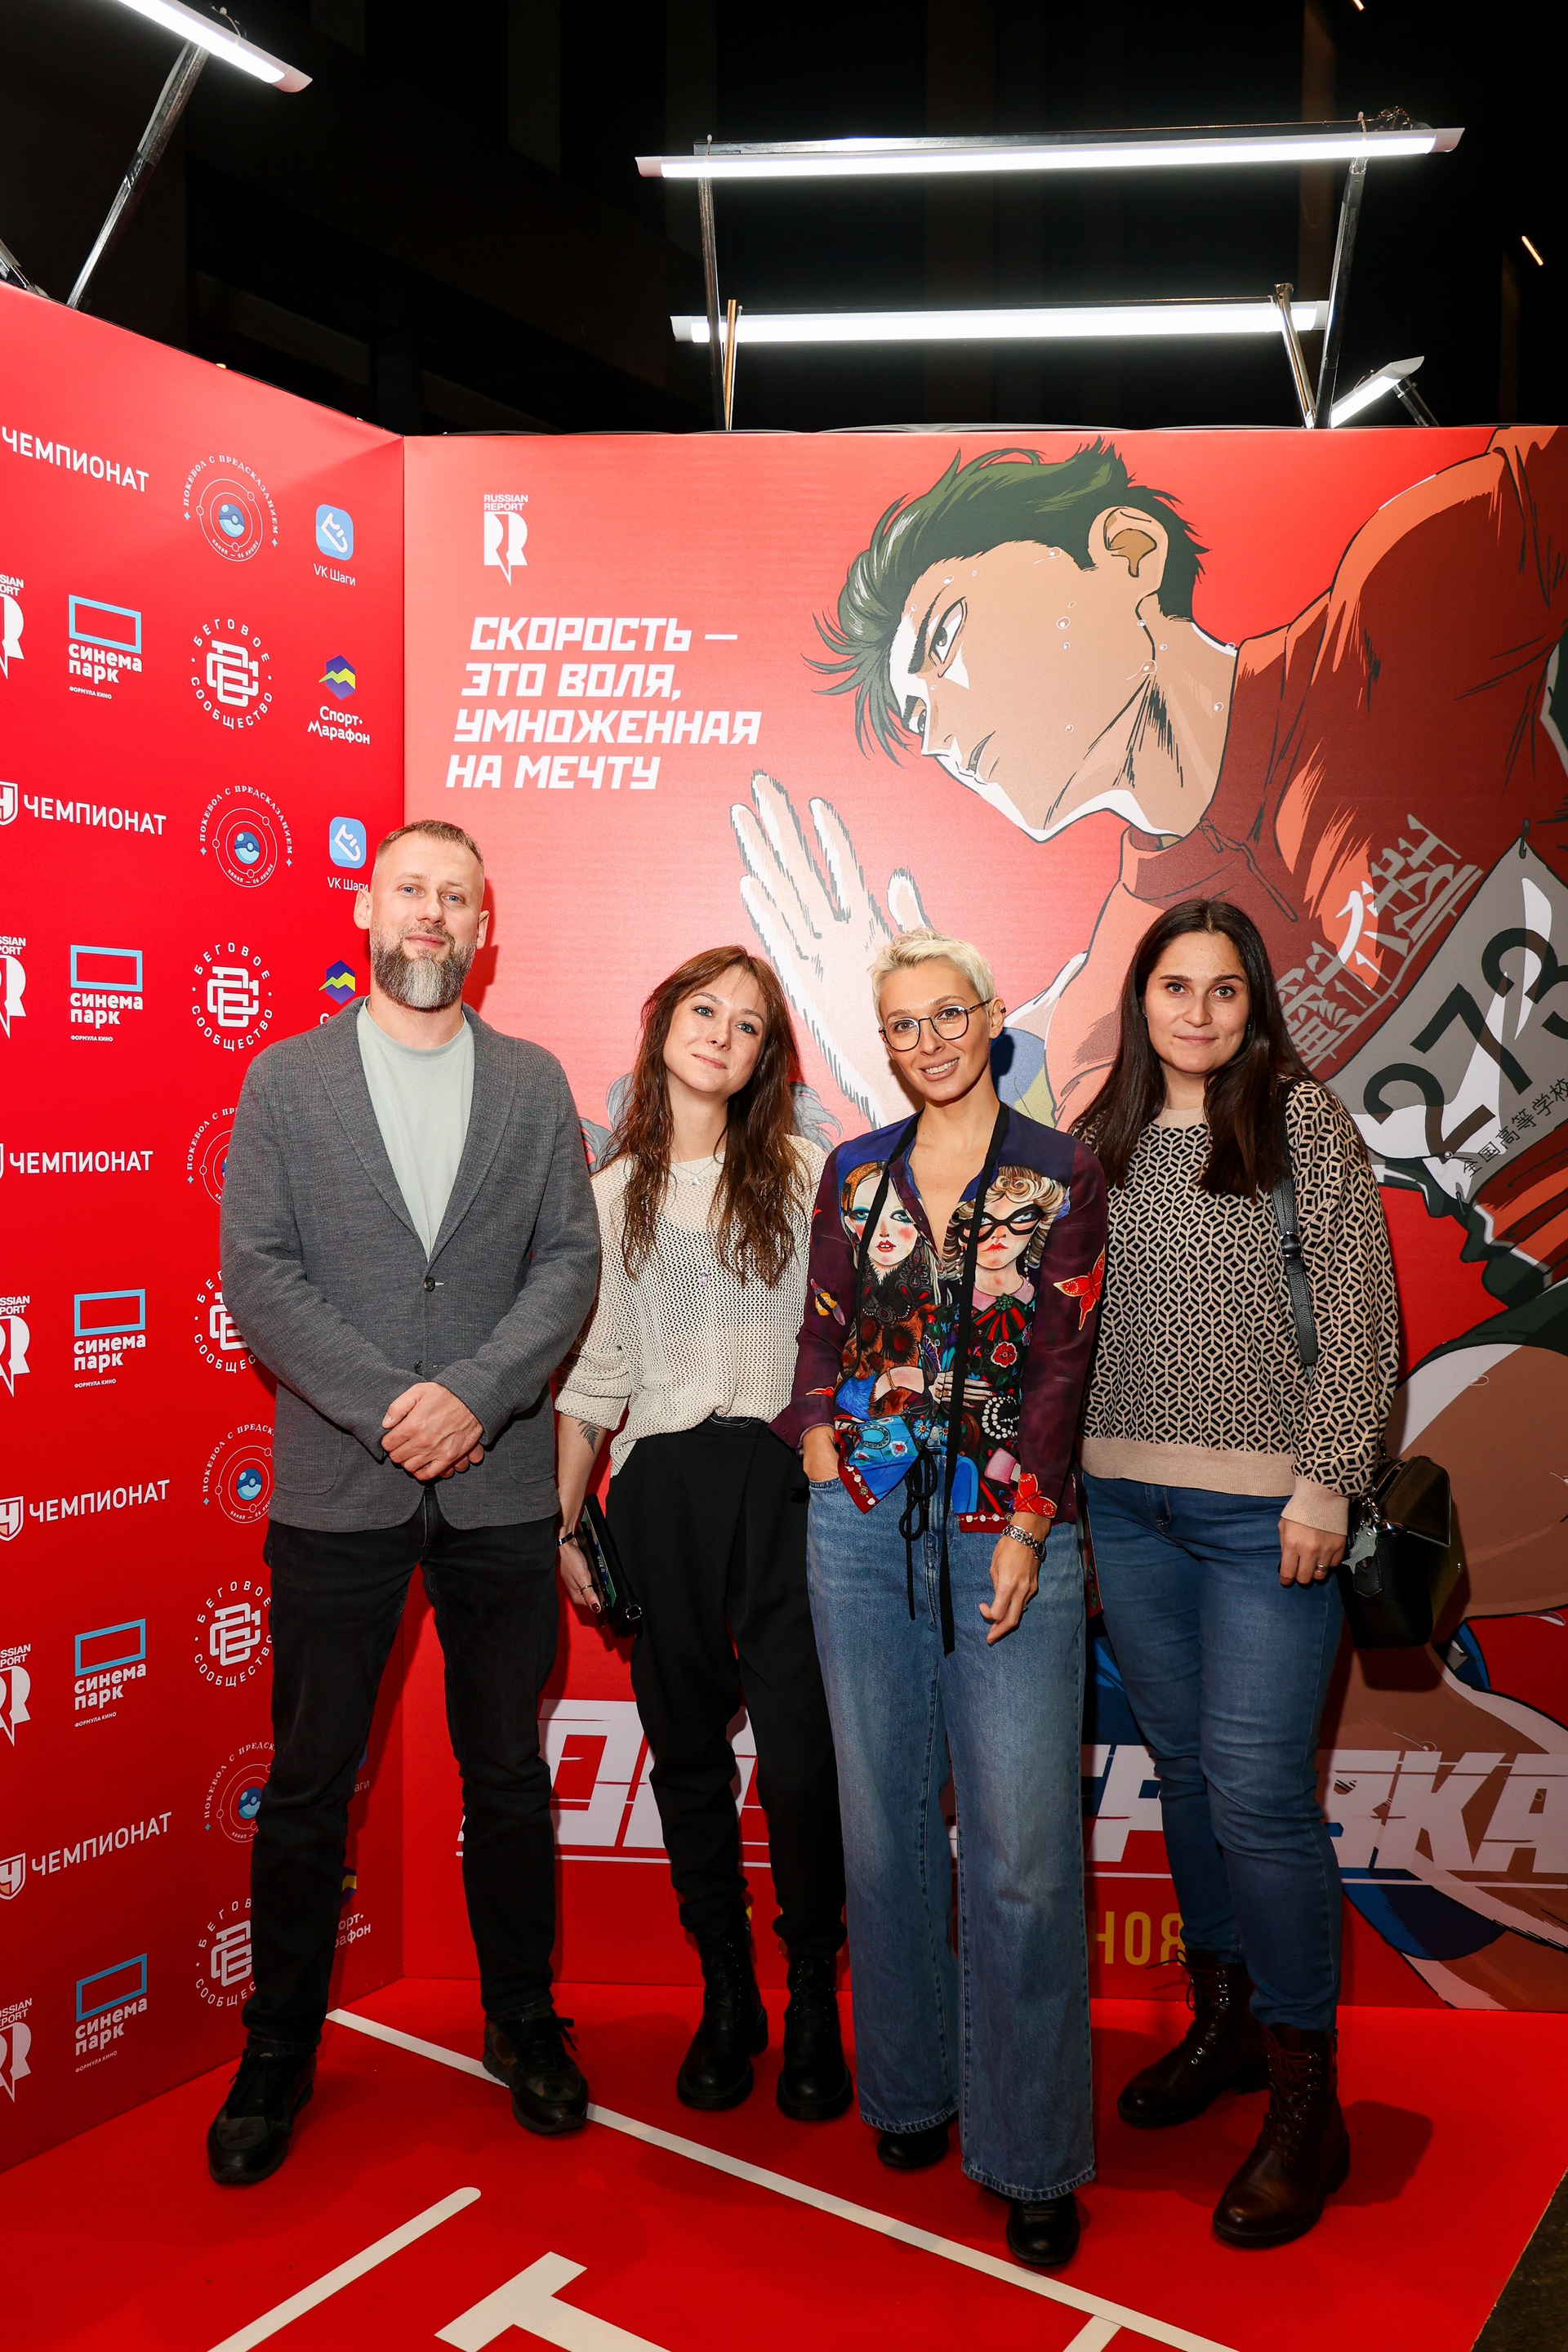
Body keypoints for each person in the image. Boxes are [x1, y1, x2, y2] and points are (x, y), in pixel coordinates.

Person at [208, 818, 600, 2185]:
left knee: (508, 1777)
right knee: (309, 1783)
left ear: (483, 931)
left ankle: (523, 2022)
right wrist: (394, 1405)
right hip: (341, 1483)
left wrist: (474, 1397)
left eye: (457, 898)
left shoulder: (535, 1083)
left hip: (497, 1489)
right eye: (412, 890)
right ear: (366, 909)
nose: (432, 913)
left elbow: (567, 1263)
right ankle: (277, 2048)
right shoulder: (285, 1080)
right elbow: (260, 1275)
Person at [776, 927, 1107, 2271]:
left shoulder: (1060, 1168)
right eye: (903, 1024)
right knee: (884, 1829)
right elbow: (821, 1323)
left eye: (948, 1014)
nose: (929, 1042)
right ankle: (910, 2088)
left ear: (992, 1014)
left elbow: (1064, 1361)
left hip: (1008, 1536)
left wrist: (1029, 1520)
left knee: (1022, 1859)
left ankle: (1032, 2151)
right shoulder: (855, 1170)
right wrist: (817, 1436)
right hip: (859, 1526)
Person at [1075, 896, 1399, 2250]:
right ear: (1141, 998)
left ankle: (1307, 2095)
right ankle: (1225, 2026)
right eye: (1175, 987)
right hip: (1123, 1507)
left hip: (1267, 1518)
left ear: (1254, 1004)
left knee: (1261, 1793)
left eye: (1223, 989)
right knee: (1190, 1775)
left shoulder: (1299, 1120)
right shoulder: (1100, 1134)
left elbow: (1363, 1313)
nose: (1197, 1012)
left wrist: (1327, 1480)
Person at [555, 947, 849, 2121]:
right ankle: (729, 1995)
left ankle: (815, 1994)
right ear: (663, 1023)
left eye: (748, 1022)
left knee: (806, 1757)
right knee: (684, 1755)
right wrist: (563, 1525)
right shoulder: (611, 1192)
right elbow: (595, 1376)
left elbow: (847, 1345)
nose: (721, 1032)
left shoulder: (809, 1174)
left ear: (767, 1055)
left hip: (789, 1487)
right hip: (661, 1493)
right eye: (702, 1008)